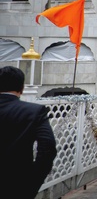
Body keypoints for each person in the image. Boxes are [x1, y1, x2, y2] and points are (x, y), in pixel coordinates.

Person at [0, 66, 57, 199]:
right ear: (22, 88)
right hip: (16, 184)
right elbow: (48, 149)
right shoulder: (33, 111)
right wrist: (32, 184)